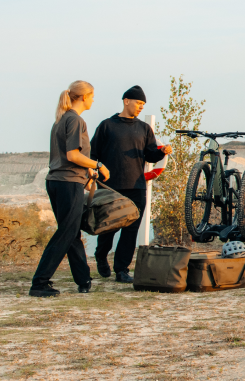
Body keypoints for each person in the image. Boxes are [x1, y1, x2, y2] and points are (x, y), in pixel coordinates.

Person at [30, 80, 111, 298]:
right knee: (66, 232)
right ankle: (40, 282)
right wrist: (98, 165)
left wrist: (88, 173)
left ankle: (83, 279)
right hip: (68, 183)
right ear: (84, 97)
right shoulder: (76, 120)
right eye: (92, 96)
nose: (93, 100)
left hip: (57, 181)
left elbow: (68, 158)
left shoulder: (61, 120)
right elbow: (73, 155)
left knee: (72, 231)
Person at [90, 85, 171, 283]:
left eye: (143, 104)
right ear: (127, 101)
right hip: (110, 186)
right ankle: (101, 254)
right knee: (109, 227)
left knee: (131, 229)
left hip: (136, 186)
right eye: (138, 102)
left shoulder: (144, 128)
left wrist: (161, 152)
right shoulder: (107, 125)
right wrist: (94, 173)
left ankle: (122, 270)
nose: (141, 107)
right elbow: (93, 154)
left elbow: (150, 155)